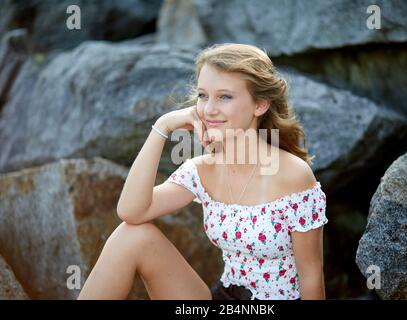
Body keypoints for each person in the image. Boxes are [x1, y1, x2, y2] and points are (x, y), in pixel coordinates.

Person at [78, 43, 328, 300]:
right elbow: (132, 212)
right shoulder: (201, 170)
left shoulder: (294, 175)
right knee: (132, 236)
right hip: (223, 299)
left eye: (225, 97)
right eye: (202, 95)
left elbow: (311, 275)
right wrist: (163, 126)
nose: (208, 109)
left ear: (260, 105)